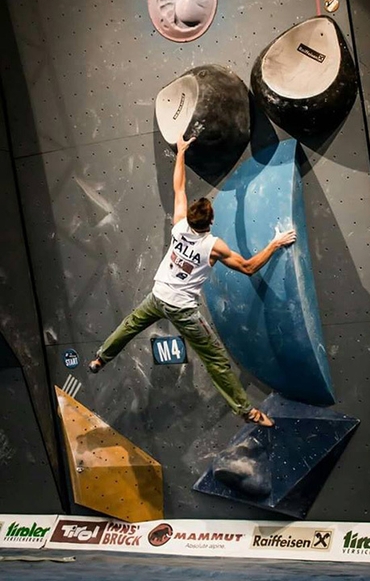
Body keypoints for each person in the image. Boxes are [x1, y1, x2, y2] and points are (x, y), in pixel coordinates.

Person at [89, 134, 297, 427]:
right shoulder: (213, 246)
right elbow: (249, 267)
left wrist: (181, 152)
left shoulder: (178, 226)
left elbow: (178, 187)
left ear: (191, 218)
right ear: (210, 223)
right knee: (217, 362)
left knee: (129, 326)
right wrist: (276, 243)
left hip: (158, 296)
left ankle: (100, 358)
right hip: (183, 311)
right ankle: (246, 411)